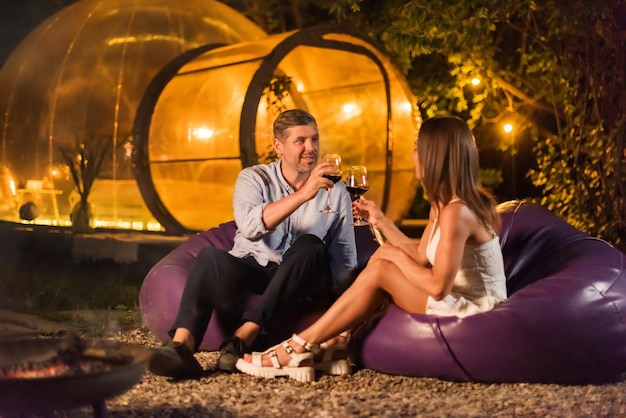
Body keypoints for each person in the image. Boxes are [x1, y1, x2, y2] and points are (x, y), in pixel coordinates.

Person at [235, 116, 508, 383]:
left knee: (383, 268)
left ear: (433, 156)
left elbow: (438, 287)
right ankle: (336, 344)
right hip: (456, 298)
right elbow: (421, 256)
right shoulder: (444, 205)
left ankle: (299, 347)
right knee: (383, 261)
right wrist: (380, 221)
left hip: (473, 309)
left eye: (416, 149)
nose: (412, 156)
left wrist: (392, 257)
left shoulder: (456, 212)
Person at [148, 109, 357, 379]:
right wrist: (304, 195)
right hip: (254, 266)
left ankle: (243, 336)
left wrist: (347, 304)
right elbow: (249, 226)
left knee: (310, 245)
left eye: (314, 140)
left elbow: (343, 252)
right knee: (209, 256)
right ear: (278, 146)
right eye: (301, 141)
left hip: (300, 275)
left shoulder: (336, 190)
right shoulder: (253, 178)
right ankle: (182, 346)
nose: (311, 148)